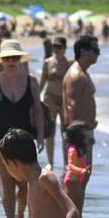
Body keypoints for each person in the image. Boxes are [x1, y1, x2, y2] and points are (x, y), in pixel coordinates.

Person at [0, 39, 46, 218]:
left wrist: (41, 134)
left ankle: (21, 214)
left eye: (15, 57)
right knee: (7, 182)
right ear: (1, 60)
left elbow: (38, 110)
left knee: (26, 183)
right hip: (0, 139)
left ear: (20, 59)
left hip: (25, 140)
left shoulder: (32, 81)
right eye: (7, 57)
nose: (11, 61)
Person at [62, 36, 100, 218]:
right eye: (95, 50)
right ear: (84, 51)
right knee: (76, 177)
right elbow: (71, 106)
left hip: (85, 131)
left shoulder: (82, 72)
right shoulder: (76, 75)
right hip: (79, 133)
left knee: (82, 176)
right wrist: (78, 139)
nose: (98, 54)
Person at [40, 38, 72, 169]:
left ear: (65, 48)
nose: (56, 49)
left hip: (64, 99)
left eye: (59, 47)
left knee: (65, 132)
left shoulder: (70, 63)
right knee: (50, 131)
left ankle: (66, 162)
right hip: (50, 97)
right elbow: (42, 81)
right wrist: (36, 97)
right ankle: (50, 162)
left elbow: (73, 82)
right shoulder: (47, 62)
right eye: (54, 46)